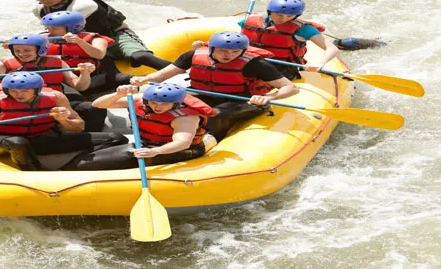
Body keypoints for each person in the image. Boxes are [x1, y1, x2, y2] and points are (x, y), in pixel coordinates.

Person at [0, 72, 126, 171]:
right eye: (13, 91)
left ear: (37, 90)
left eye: (24, 91)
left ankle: (73, 168)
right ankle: (34, 174)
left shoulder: (55, 98)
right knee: (17, 142)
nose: (18, 95)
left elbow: (79, 127)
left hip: (40, 139)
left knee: (115, 138)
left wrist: (64, 120)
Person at [130, 31, 299, 140]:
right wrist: (143, 80)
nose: (229, 55)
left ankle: (210, 140)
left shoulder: (255, 64)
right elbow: (162, 75)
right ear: (211, 48)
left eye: (235, 52)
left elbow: (291, 88)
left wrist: (269, 97)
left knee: (214, 114)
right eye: (223, 51)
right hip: (204, 95)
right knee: (164, 105)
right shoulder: (194, 55)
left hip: (240, 100)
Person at [0, 33, 107, 132]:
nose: (22, 54)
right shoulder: (2, 65)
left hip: (53, 102)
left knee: (91, 109)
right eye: (17, 50)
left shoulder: (56, 63)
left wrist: (85, 74)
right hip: (15, 104)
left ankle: (84, 135)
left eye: (27, 50)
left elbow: (80, 86)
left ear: (41, 50)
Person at [63, 83, 215, 171]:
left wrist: (155, 151)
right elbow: (97, 104)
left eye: (164, 104)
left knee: (89, 164)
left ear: (176, 104)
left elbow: (183, 143)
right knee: (85, 161)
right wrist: (117, 95)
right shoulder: (141, 101)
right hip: (146, 145)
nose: (157, 107)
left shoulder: (185, 117)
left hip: (181, 150)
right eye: (154, 102)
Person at [30, 0, 172, 71]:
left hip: (115, 35)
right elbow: (52, 30)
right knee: (103, 64)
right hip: (87, 42)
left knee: (139, 57)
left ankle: (178, 72)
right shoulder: (39, 9)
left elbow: (65, 25)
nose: (44, 0)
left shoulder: (83, 4)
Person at [240, 0, 339, 80]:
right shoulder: (252, 22)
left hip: (282, 68)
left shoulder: (304, 29)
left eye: (289, 16)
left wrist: (320, 63)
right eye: (279, 15)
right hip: (249, 60)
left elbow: (332, 48)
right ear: (269, 12)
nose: (283, 19)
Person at [40, 11, 132, 100]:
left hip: (88, 77)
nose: (49, 31)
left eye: (54, 28)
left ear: (72, 28)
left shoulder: (95, 39)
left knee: (127, 79)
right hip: (60, 78)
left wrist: (80, 42)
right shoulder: (43, 39)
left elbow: (99, 54)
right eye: (47, 27)